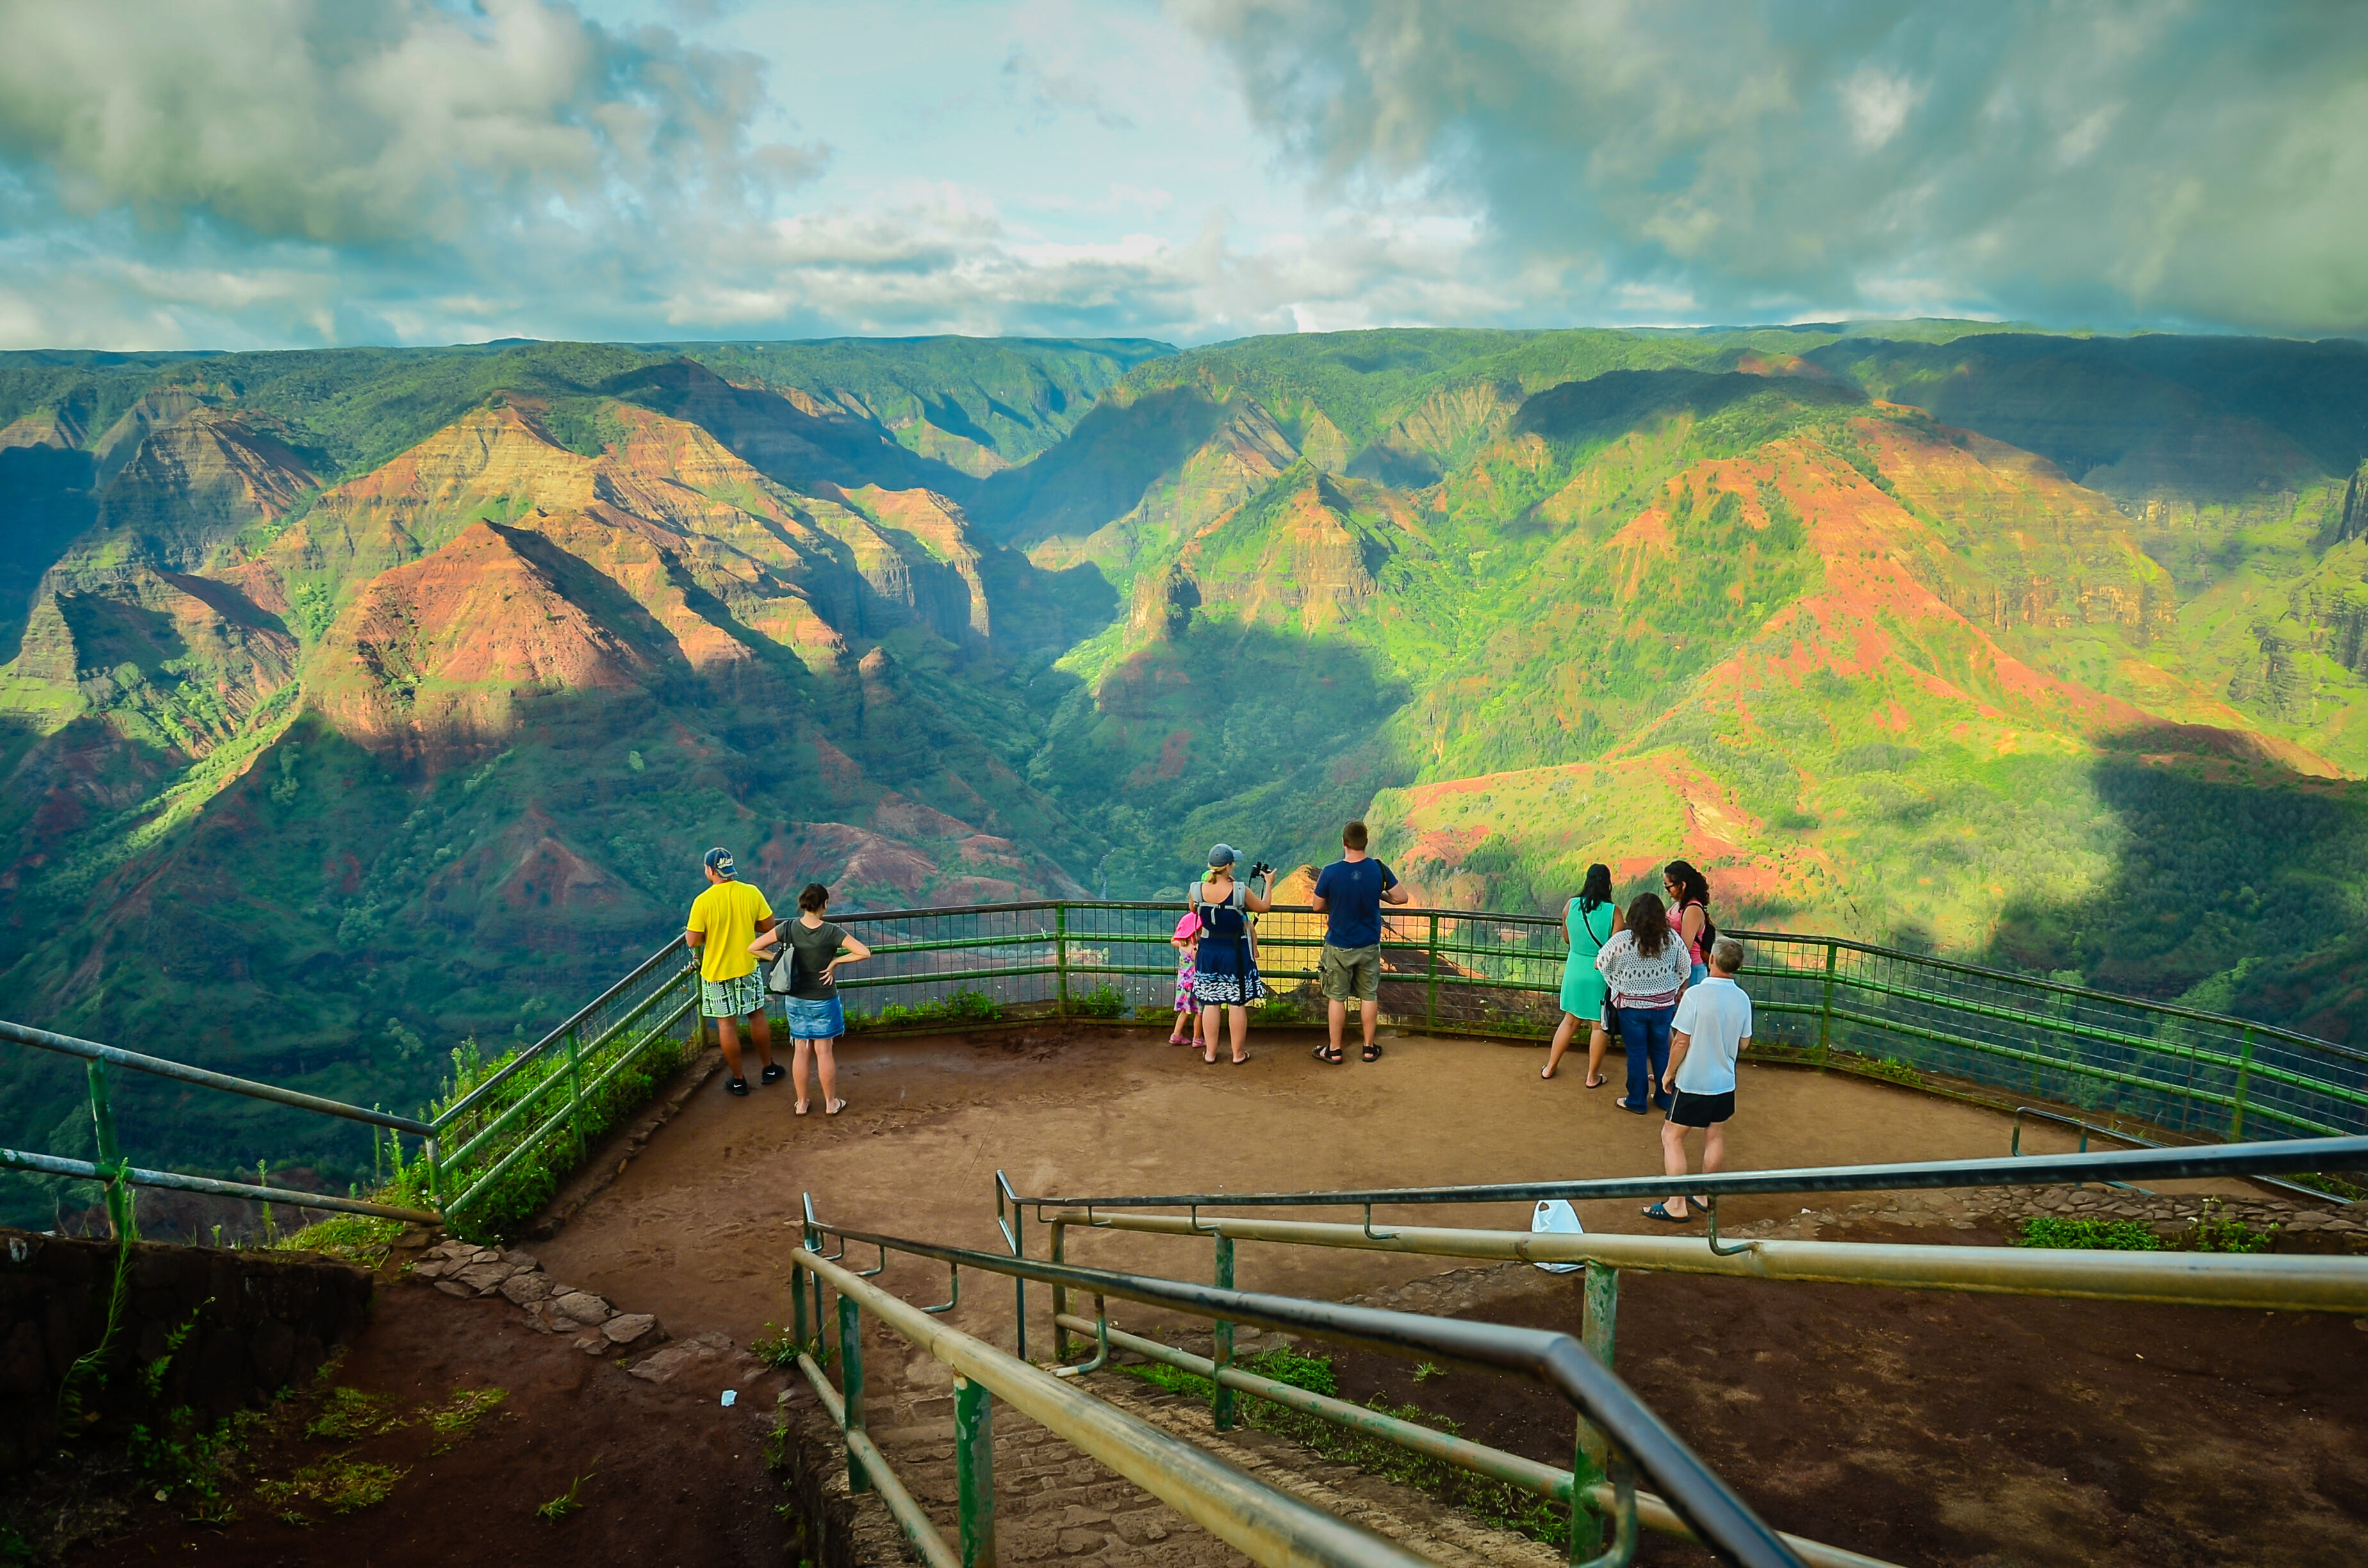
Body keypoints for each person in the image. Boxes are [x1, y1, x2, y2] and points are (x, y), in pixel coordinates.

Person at [1643, 937, 1752, 1223]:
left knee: (1671, 1137)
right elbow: (1744, 1043)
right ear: (1738, 966)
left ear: (1711, 960)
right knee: (1714, 1136)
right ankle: (1704, 1196)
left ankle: (1676, 1203)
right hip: (1724, 1082)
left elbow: (1681, 1042)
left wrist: (1668, 1073)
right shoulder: (1742, 999)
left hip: (1694, 1082)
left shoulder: (1695, 995)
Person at [749, 882, 872, 1115]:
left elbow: (754, 947)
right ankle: (830, 1103)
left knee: (801, 1050)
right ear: (825, 904)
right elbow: (864, 952)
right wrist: (835, 962)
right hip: (823, 998)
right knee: (824, 1052)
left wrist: (780, 960)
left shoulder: (788, 928)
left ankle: (802, 1103)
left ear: (803, 904)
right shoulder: (831, 932)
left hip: (795, 999)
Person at [1310, 821, 1409, 1065]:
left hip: (1339, 945)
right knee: (1368, 995)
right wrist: (1379, 894)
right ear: (1366, 842)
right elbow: (1401, 897)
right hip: (1369, 944)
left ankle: (1335, 1050)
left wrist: (1337, 899)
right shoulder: (1378, 869)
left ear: (1343, 842)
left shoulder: (1330, 872)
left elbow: (1317, 906)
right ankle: (1368, 1048)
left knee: (1337, 997)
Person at [684, 847, 779, 1098]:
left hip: (716, 971)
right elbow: (769, 926)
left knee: (726, 1025)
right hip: (747, 965)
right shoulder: (751, 892)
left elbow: (693, 940)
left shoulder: (703, 901)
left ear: (710, 871)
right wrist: (747, 924)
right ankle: (768, 1069)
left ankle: (739, 1081)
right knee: (756, 1016)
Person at [1595, 892, 1690, 1115]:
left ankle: (1637, 1101)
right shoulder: (1671, 938)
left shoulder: (1623, 940)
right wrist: (1672, 987)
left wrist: (1621, 976)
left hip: (1631, 1008)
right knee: (1661, 1051)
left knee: (1637, 1054)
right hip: (1663, 1007)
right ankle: (1665, 1098)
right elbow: (1685, 967)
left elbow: (1600, 962)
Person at [1190, 845, 1270, 1066]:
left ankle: (1210, 1053)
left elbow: (1194, 909)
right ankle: (1238, 1054)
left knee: (1211, 1002)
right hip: (1235, 950)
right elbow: (1263, 907)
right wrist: (1270, 884)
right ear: (1228, 866)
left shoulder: (1196, 889)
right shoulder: (1240, 891)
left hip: (1208, 950)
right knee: (1237, 1002)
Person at [1543, 863, 1621, 1084]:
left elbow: (1567, 938)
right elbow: (1616, 948)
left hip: (1574, 969)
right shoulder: (1613, 912)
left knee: (1569, 1021)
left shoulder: (1571, 905)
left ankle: (1550, 1067)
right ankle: (1592, 1077)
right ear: (1608, 884)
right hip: (1599, 972)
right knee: (1598, 1025)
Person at [1663, 860, 1714, 989]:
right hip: (1679, 969)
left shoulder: (1692, 910)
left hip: (1691, 971)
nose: (1667, 891)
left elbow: (1685, 947)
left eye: (1669, 887)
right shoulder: (1680, 904)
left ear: (1683, 885)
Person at [1169, 910, 1204, 1047]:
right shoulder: (1196, 949)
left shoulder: (1182, 945)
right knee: (1200, 1011)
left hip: (1183, 983)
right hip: (1197, 984)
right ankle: (1197, 1038)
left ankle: (1176, 1035)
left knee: (1186, 1010)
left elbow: (1174, 939)